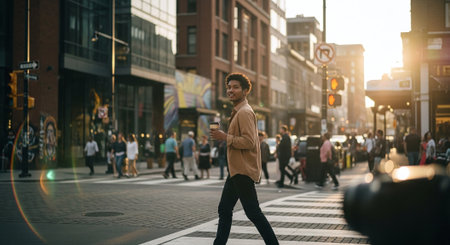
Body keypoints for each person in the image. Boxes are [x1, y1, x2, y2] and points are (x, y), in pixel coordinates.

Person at [210, 72, 278, 245]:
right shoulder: (238, 111)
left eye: (235, 87)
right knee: (224, 209)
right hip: (236, 170)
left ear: (245, 91)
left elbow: (249, 142)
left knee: (253, 212)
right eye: (229, 87)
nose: (230, 90)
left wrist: (225, 137)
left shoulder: (244, 112)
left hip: (242, 170)